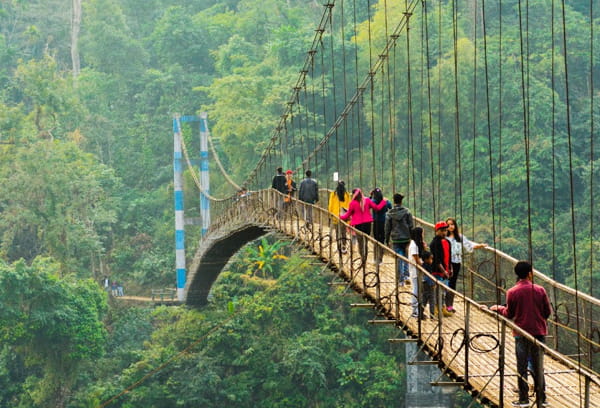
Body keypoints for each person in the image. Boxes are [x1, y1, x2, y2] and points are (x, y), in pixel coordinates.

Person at [490, 261, 551, 407]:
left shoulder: (512, 292)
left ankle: (523, 399)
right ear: (530, 273)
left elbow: (509, 313)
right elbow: (547, 312)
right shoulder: (540, 290)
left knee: (522, 366)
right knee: (538, 366)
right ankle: (541, 398)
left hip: (521, 333)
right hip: (538, 333)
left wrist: (498, 308)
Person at [444, 217, 487, 313]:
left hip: (456, 262)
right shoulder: (444, 237)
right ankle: (443, 304)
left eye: (452, 224)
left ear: (455, 226)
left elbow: (469, 245)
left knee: (452, 283)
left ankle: (449, 305)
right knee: (445, 282)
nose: (450, 226)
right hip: (446, 262)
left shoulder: (459, 237)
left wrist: (480, 245)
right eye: (448, 224)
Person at [339, 188, 388, 264]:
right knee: (366, 241)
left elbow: (347, 215)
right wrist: (384, 202)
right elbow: (377, 208)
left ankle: (363, 258)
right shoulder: (367, 200)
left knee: (360, 242)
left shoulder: (353, 203)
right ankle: (365, 256)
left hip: (358, 225)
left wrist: (340, 217)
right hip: (367, 224)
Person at [384, 193, 414, 283]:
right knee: (406, 257)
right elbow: (411, 226)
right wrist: (412, 238)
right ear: (401, 201)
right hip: (406, 238)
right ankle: (406, 276)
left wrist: (387, 239)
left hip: (396, 239)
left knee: (398, 259)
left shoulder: (389, 214)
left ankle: (400, 280)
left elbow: (387, 228)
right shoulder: (407, 212)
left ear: (394, 201)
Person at [429, 221, 453, 317]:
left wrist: (450, 268)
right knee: (437, 291)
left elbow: (449, 257)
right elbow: (437, 260)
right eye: (442, 230)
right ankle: (435, 309)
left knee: (443, 291)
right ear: (437, 231)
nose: (444, 232)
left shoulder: (447, 242)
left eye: (445, 230)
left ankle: (443, 308)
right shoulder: (434, 243)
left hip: (446, 270)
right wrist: (444, 271)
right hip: (437, 271)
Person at [328, 180, 351, 253]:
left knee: (337, 232)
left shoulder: (333, 194)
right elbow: (349, 206)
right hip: (344, 216)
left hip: (335, 216)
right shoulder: (347, 195)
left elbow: (330, 205)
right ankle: (344, 247)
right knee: (343, 232)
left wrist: (330, 214)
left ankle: (338, 247)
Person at [370, 188, 392, 264]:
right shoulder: (386, 201)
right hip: (383, 222)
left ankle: (375, 259)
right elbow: (390, 207)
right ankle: (380, 259)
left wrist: (370, 196)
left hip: (375, 222)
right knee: (381, 240)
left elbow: (369, 203)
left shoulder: (373, 201)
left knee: (376, 240)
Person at [408, 227, 426, 317]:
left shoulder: (415, 244)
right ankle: (415, 311)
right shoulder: (414, 245)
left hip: (417, 271)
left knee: (418, 289)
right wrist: (424, 266)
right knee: (416, 289)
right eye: (422, 233)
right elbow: (416, 259)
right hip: (415, 271)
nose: (423, 235)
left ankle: (418, 310)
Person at [419, 251, 436, 319]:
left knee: (424, 299)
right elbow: (429, 276)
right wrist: (433, 284)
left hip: (424, 283)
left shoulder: (423, 265)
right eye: (430, 259)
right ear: (426, 259)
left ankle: (420, 313)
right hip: (429, 283)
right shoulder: (428, 266)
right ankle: (432, 315)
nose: (431, 260)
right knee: (432, 299)